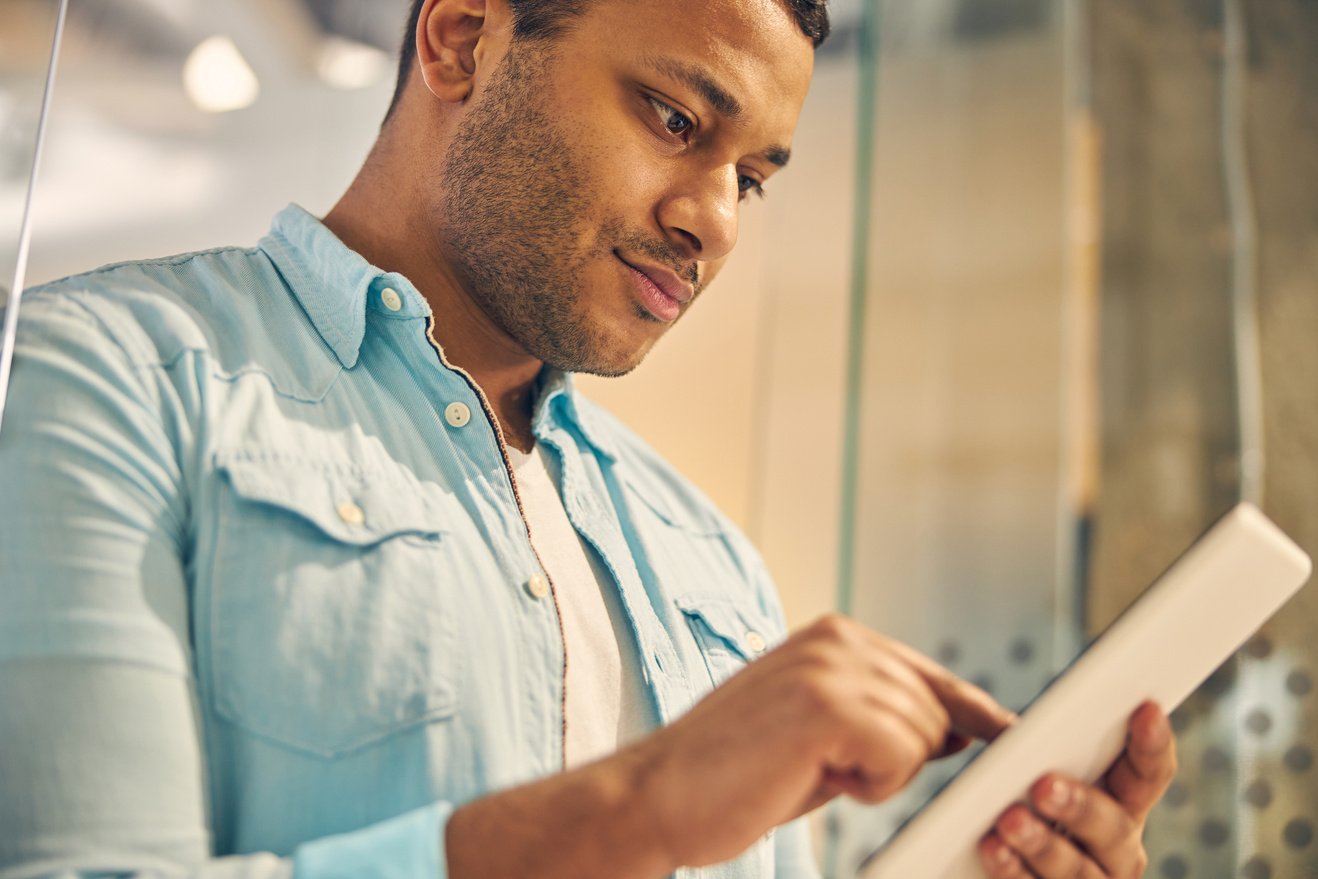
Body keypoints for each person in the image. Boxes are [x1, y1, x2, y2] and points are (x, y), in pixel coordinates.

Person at [0, 0, 1177, 877]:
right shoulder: (106, 375)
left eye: (752, 181)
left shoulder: (704, 556)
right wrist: (632, 811)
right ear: (462, 38)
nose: (711, 220)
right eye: (676, 119)